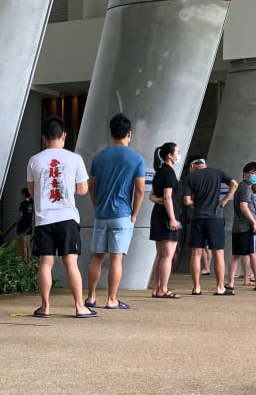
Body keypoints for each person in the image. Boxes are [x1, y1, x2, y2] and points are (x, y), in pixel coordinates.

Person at [26, 116, 96, 319]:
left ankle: (45, 306)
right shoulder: (75, 158)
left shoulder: (34, 160)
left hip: (43, 220)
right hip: (67, 218)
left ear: (43, 137)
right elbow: (83, 189)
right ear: (64, 135)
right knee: (71, 263)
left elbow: (32, 191)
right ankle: (79, 306)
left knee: (45, 264)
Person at [85, 113, 146, 310]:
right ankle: (112, 299)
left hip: (101, 213)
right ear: (129, 134)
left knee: (97, 256)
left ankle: (91, 297)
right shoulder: (136, 158)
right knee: (116, 257)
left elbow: (91, 185)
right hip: (122, 214)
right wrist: (134, 213)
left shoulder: (99, 157)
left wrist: (97, 205)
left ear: (111, 133)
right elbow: (140, 189)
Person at [182, 156, 238, 296]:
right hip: (215, 217)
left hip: (198, 217)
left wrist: (196, 205)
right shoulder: (217, 172)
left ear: (192, 165)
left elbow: (187, 201)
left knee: (196, 253)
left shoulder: (190, 177)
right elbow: (234, 184)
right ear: (204, 164)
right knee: (218, 253)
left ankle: (196, 288)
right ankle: (220, 287)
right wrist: (224, 201)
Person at [225, 163, 256, 292]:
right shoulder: (246, 188)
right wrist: (254, 222)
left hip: (237, 227)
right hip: (247, 227)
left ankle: (230, 283)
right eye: (252, 173)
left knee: (236, 255)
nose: (255, 176)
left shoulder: (239, 187)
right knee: (254, 254)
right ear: (245, 173)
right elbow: (244, 206)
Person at [148, 142, 182, 298]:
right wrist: (173, 218)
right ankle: (163, 289)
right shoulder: (169, 173)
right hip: (167, 217)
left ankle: (156, 288)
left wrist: (158, 201)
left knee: (160, 255)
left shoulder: (159, 171)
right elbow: (168, 196)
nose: (178, 155)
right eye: (177, 152)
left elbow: (152, 195)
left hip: (157, 216)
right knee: (167, 255)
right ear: (170, 155)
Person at [16, 188, 34, 262]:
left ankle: (25, 260)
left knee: (24, 245)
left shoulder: (23, 203)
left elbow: (20, 215)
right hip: (29, 226)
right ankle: (29, 261)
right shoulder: (31, 203)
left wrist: (17, 222)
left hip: (22, 225)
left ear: (24, 194)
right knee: (28, 245)